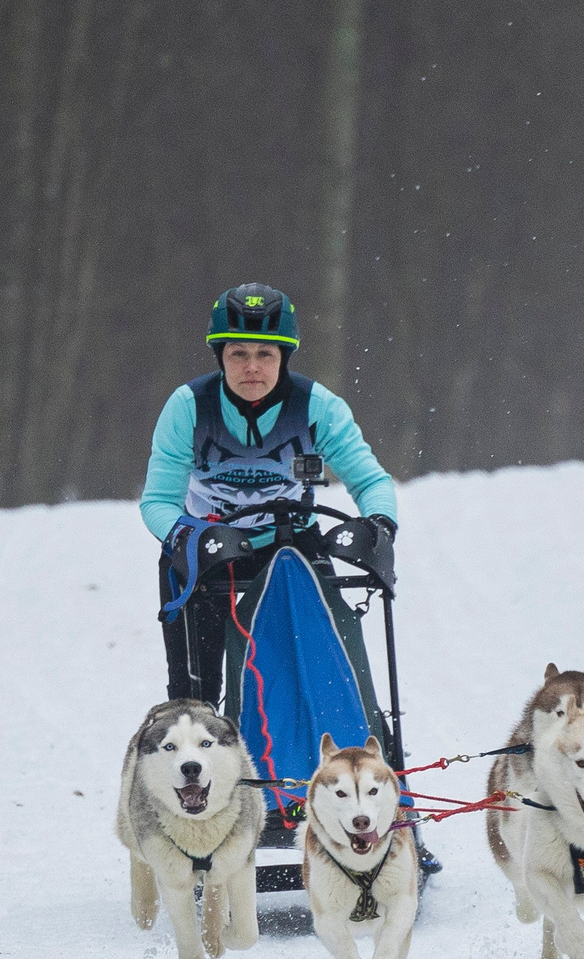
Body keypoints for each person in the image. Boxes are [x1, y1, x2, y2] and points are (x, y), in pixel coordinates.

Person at [143, 283, 398, 704]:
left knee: (326, 677)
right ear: (220, 356)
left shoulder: (318, 407)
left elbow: (371, 481)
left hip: (291, 539)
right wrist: (185, 537)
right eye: (238, 354)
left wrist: (379, 522)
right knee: (194, 693)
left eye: (266, 354)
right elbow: (157, 502)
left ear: (284, 357)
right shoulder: (187, 407)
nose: (252, 368)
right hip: (205, 545)